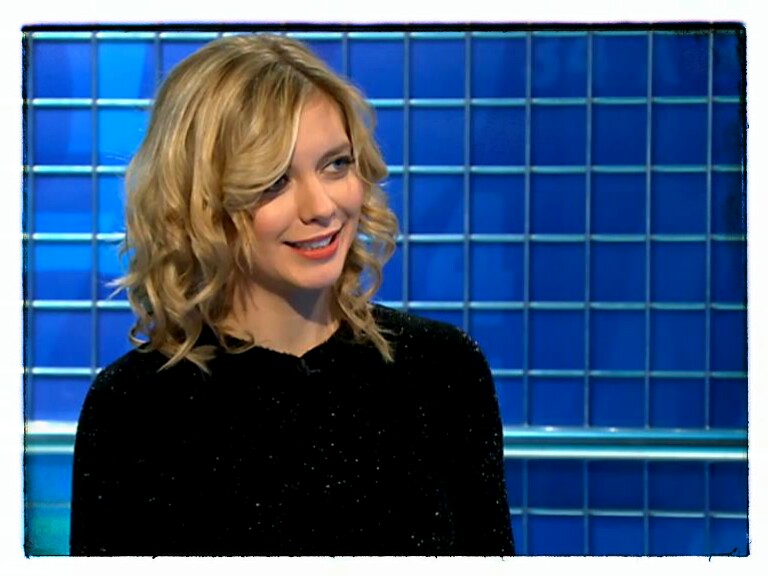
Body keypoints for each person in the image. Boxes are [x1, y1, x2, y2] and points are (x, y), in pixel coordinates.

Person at [69, 33, 514, 557]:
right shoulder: (133, 407)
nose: (321, 207)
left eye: (336, 164)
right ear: (201, 203)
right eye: (274, 181)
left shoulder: (442, 369)